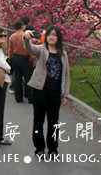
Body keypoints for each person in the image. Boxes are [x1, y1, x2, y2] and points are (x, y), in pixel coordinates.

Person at [23, 25, 70, 159]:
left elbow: (66, 75)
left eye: (54, 35)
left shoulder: (63, 54)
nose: (51, 37)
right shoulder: (41, 50)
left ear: (58, 38)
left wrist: (65, 94)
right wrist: (25, 38)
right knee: (39, 120)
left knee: (54, 121)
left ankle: (53, 148)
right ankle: (39, 147)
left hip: (55, 92)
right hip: (40, 90)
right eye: (49, 34)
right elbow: (29, 48)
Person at [8, 19, 33, 103]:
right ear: (23, 26)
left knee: (17, 78)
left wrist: (10, 58)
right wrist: (32, 58)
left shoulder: (12, 36)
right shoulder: (26, 36)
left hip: (15, 58)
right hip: (25, 58)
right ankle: (29, 97)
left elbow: (10, 50)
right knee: (28, 77)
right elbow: (30, 49)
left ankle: (18, 98)